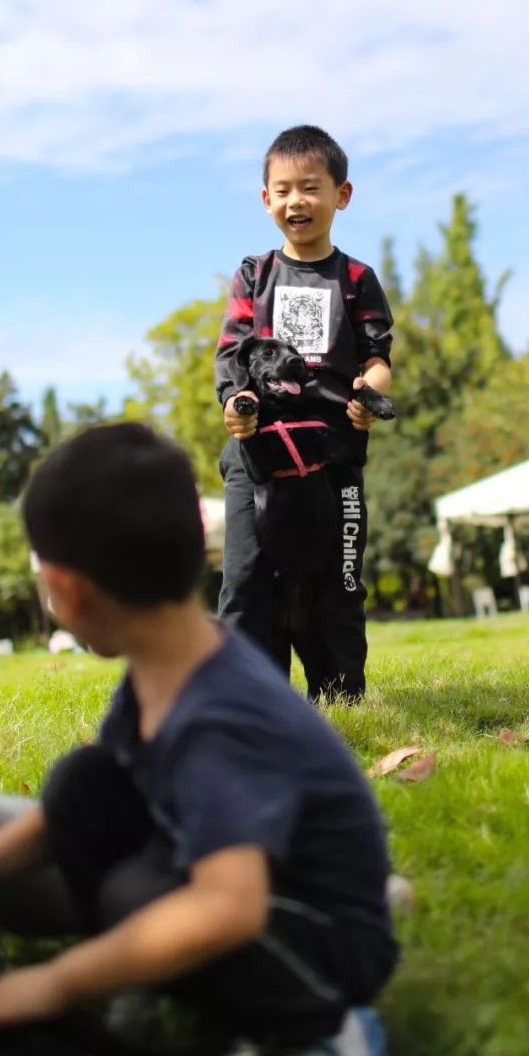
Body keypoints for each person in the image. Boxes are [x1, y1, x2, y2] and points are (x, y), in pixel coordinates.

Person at [0, 422, 398, 1056]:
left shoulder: (219, 718)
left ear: (64, 590)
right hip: (252, 882)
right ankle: (156, 974)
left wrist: (56, 984)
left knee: (139, 900)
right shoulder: (166, 662)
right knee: (84, 782)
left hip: (324, 939)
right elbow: (79, 810)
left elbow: (228, 910)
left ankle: (335, 1037)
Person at [215, 124, 394, 701]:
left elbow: (376, 358)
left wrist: (368, 393)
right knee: (245, 583)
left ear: (341, 195)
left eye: (311, 188)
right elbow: (231, 357)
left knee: (336, 584)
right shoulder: (254, 275)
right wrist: (237, 408)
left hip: (332, 466)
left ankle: (341, 703)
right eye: (284, 190)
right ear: (266, 199)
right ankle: (252, 707)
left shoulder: (358, 280)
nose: (298, 201)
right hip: (258, 464)